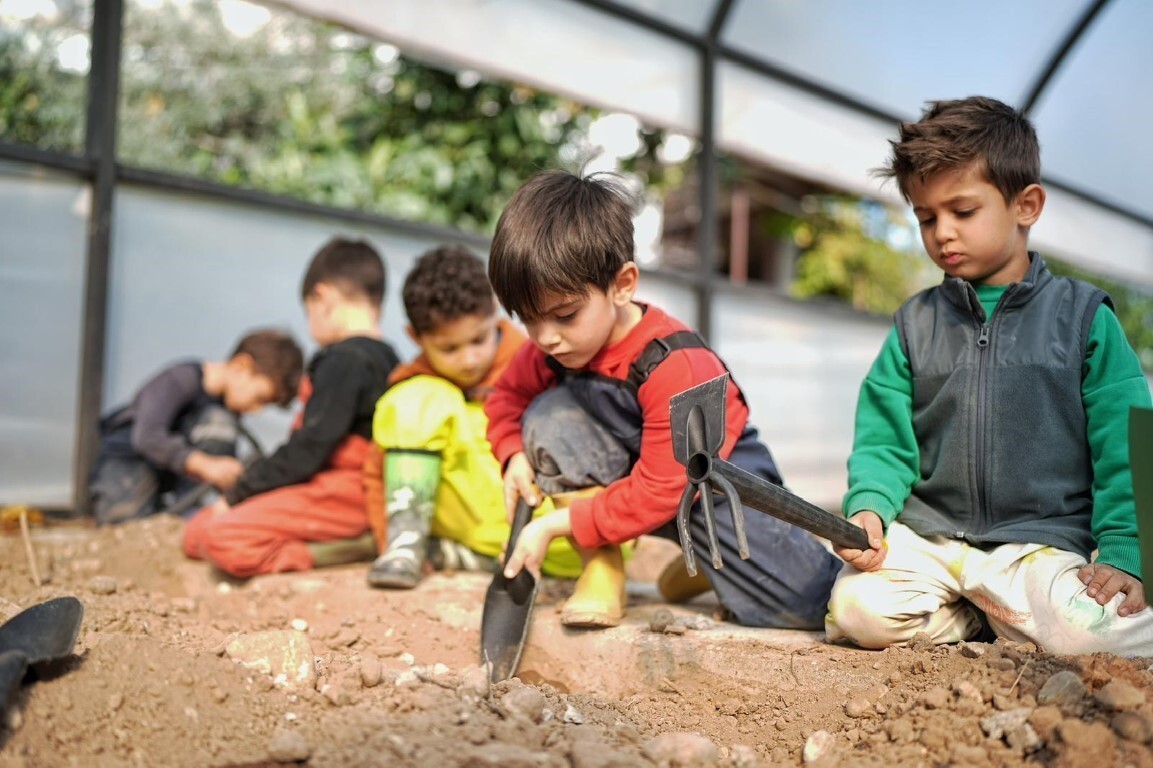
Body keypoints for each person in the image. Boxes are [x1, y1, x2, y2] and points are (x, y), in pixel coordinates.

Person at [826, 96, 1153, 656]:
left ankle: (1000, 614)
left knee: (1105, 631)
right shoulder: (913, 324)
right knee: (856, 612)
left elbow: (1127, 440)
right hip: (930, 539)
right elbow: (884, 441)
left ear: (1026, 205)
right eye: (926, 218)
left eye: (963, 211)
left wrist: (1126, 549)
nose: (942, 234)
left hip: (1037, 547)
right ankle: (986, 621)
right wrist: (869, 509)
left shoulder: (1082, 318)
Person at [486, 169, 842, 629]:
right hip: (631, 485)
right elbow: (505, 400)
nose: (546, 337)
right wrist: (513, 455)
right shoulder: (552, 348)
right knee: (550, 416)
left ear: (623, 284)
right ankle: (601, 567)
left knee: (811, 604)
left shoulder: (676, 364)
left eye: (564, 315)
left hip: (711, 489)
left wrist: (556, 524)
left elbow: (664, 486)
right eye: (528, 320)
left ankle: (703, 568)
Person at [364, 245, 581, 589]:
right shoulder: (415, 382)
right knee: (416, 399)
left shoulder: (538, 361)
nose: (469, 359)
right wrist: (386, 541)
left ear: (496, 311)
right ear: (415, 337)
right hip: (462, 517)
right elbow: (378, 472)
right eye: (449, 348)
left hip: (533, 517)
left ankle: (474, 556)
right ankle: (407, 546)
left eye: (479, 339)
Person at [183, 237, 400, 577]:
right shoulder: (389, 357)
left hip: (346, 492)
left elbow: (308, 450)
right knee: (195, 533)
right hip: (336, 490)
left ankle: (344, 548)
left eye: (308, 311)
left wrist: (239, 493)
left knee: (217, 537)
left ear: (322, 299)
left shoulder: (344, 360)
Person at [90, 329, 303, 525]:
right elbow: (147, 437)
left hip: (168, 477)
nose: (257, 410)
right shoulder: (180, 380)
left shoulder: (225, 413)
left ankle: (191, 513)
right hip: (127, 464)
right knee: (127, 527)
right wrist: (207, 466)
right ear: (241, 368)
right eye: (261, 399)